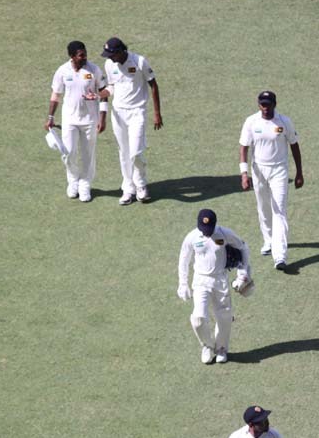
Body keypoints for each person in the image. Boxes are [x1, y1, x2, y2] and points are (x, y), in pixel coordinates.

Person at [239, 91, 304, 271]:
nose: (265, 108)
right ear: (258, 105)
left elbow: (294, 146)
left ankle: (280, 255)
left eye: (268, 105)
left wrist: (299, 173)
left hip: (279, 171)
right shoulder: (251, 122)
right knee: (263, 207)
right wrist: (244, 174)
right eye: (262, 105)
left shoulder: (284, 122)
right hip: (258, 170)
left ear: (275, 104)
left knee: (279, 211)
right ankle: (268, 240)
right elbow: (244, 147)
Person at [177, 209, 252, 364]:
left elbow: (243, 247)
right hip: (200, 281)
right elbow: (184, 259)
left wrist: (243, 274)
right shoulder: (191, 237)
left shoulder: (224, 234)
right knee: (198, 318)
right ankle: (207, 346)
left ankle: (221, 349)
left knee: (224, 317)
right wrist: (183, 283)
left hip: (220, 280)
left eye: (209, 230)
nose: (207, 233)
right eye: (204, 230)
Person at [101, 37, 163, 206]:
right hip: (118, 113)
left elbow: (154, 85)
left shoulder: (139, 61)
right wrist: (99, 95)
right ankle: (128, 189)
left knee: (135, 151)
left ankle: (141, 186)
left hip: (137, 112)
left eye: (111, 55)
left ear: (121, 51)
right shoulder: (109, 64)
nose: (109, 58)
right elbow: (111, 87)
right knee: (124, 151)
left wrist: (157, 113)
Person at [45, 41, 108, 203]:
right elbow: (56, 95)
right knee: (68, 153)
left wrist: (103, 117)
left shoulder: (94, 70)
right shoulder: (62, 71)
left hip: (90, 120)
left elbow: (103, 92)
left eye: (85, 54)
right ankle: (73, 181)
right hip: (70, 120)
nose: (85, 57)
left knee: (88, 154)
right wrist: (51, 117)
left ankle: (85, 184)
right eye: (81, 55)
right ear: (72, 56)